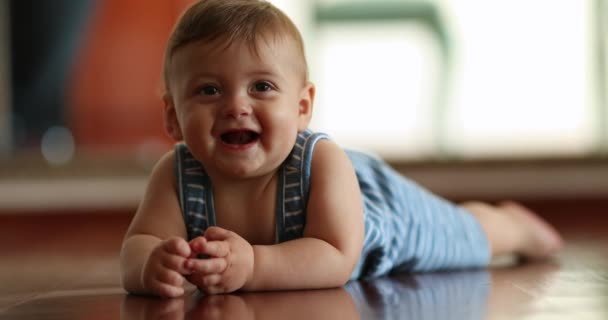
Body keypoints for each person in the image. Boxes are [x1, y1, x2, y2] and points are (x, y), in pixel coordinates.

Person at [120, 0, 563, 298]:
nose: (237, 106)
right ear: (173, 118)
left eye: (262, 87)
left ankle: (511, 224)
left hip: (380, 216)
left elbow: (335, 257)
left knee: (462, 236)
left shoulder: (321, 161)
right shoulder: (176, 174)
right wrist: (150, 267)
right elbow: (141, 241)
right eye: (209, 90)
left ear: (302, 107)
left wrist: (253, 266)